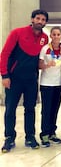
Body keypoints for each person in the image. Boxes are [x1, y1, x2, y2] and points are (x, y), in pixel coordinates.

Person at [1, 9, 49, 153]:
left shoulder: (45, 38)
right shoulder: (17, 33)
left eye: (43, 20)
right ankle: (9, 137)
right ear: (32, 19)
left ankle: (30, 136)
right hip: (13, 79)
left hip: (31, 80)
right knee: (10, 109)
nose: (40, 21)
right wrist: (4, 75)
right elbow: (5, 53)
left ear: (45, 22)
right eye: (38, 18)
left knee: (30, 109)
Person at [38, 26, 61, 147]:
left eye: (58, 34)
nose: (56, 36)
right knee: (46, 110)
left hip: (58, 83)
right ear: (51, 36)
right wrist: (47, 65)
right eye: (54, 34)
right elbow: (39, 64)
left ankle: (52, 132)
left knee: (55, 109)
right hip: (46, 84)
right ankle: (44, 134)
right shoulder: (45, 49)